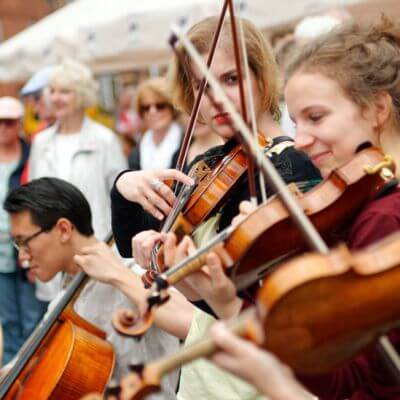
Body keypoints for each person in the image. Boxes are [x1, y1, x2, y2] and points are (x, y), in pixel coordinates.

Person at [108, 15, 321, 400]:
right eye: (201, 86)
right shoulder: (205, 164)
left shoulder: (293, 167)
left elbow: (268, 302)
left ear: (261, 78)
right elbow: (128, 244)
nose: (215, 99)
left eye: (231, 79)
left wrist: (181, 278)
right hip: (200, 375)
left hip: (255, 380)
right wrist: (124, 184)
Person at [4, 177, 180, 399]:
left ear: (64, 229)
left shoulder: (131, 270)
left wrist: (119, 276)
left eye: (24, 241)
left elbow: (193, 323)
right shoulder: (63, 300)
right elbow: (21, 366)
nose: (22, 256)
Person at [28, 60, 127, 303]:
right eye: (52, 91)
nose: (56, 98)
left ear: (81, 96)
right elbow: (32, 201)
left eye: (65, 91)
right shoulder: (41, 143)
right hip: (51, 248)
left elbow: (121, 198)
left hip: (93, 245)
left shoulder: (105, 140)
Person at [0, 97, 47, 364]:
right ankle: (11, 379)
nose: (3, 128)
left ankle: (32, 372)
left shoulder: (32, 156)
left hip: (26, 249)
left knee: (32, 318)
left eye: (8, 122)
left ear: (18, 123)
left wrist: (31, 247)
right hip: (0, 255)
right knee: (8, 320)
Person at [128, 77, 182, 171]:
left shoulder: (187, 142)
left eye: (160, 106)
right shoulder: (137, 150)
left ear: (172, 108)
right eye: (146, 107)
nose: (152, 111)